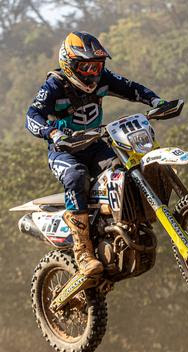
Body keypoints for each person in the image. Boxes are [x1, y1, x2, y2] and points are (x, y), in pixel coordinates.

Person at [25, 31, 165, 276]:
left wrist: (156, 101)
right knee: (77, 176)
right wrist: (51, 133)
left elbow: (131, 88)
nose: (92, 73)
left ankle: (124, 224)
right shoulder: (55, 85)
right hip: (64, 151)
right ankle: (83, 252)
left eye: (97, 66)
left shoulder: (103, 78)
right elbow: (31, 116)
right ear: (69, 64)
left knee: (125, 169)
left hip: (94, 144)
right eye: (86, 67)